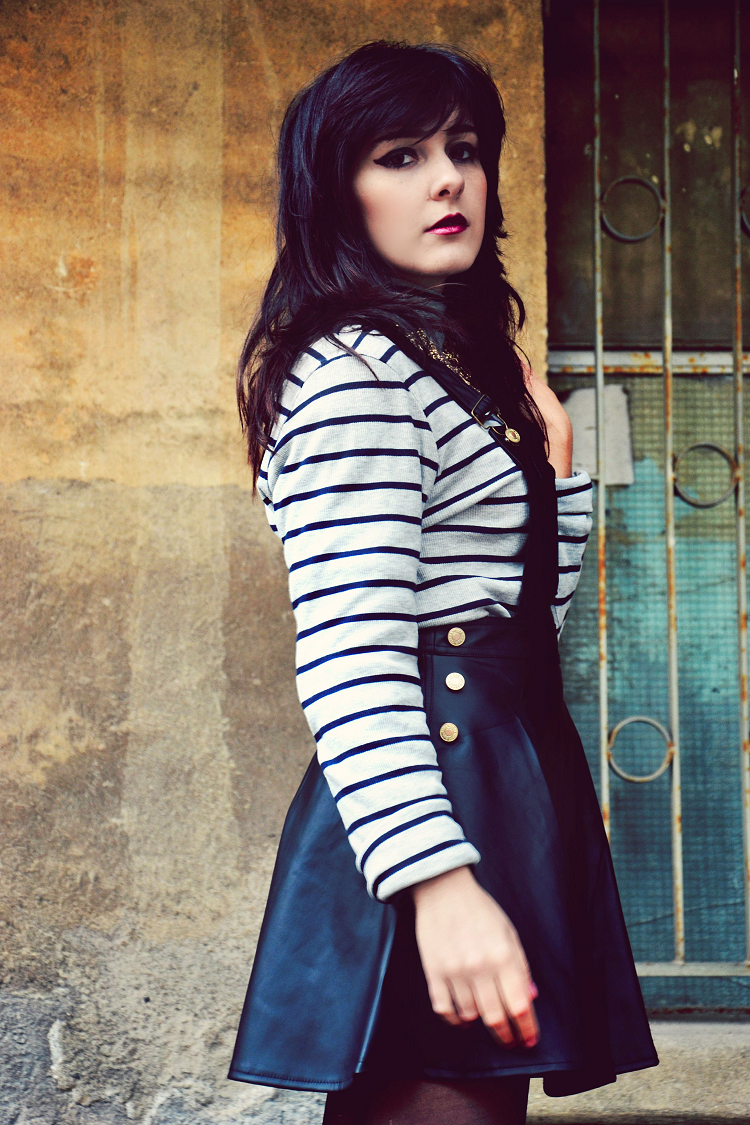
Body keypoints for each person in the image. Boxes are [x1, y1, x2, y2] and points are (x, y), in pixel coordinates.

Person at [227, 40, 658, 1125]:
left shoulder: (446, 362)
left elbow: (514, 624)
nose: (448, 179)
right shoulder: (356, 376)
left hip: (498, 777)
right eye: (401, 156)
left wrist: (556, 474)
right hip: (429, 796)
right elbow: (352, 656)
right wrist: (439, 883)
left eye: (464, 150)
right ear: (337, 191)